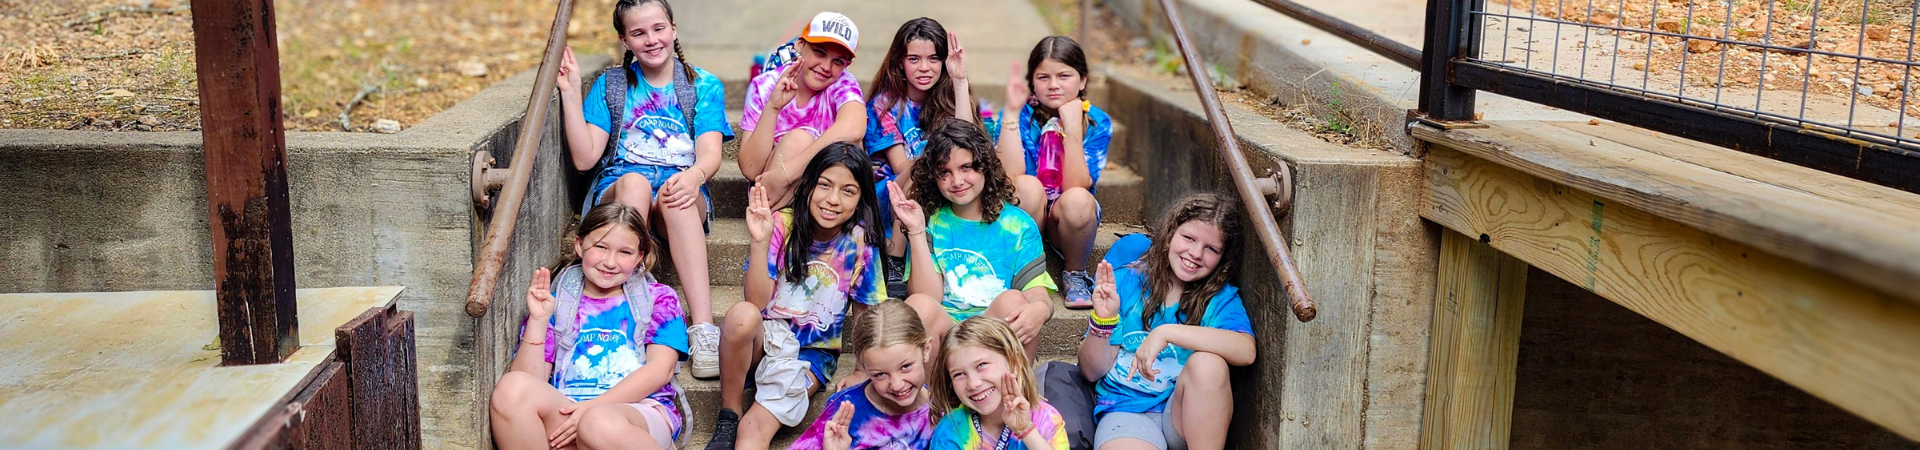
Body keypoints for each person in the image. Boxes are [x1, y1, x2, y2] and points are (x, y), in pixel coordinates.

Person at [555, 0, 728, 379]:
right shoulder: (612, 85)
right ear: (625, 40)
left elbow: (711, 153)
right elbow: (585, 159)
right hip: (620, 188)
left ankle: (702, 330)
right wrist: (570, 92)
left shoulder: (702, 85)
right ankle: (631, 316)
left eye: (658, 28)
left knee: (674, 193)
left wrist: (695, 176)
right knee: (634, 183)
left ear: (673, 29)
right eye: (638, 33)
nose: (651, 40)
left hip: (679, 191)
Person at [709, 143, 889, 450]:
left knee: (752, 430)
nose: (833, 200)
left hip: (810, 353)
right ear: (807, 186)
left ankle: (745, 424)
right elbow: (756, 303)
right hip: (765, 341)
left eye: (848, 191)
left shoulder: (860, 244)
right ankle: (729, 413)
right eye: (824, 185)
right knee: (741, 316)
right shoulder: (782, 224)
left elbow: (867, 315)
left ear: (861, 200)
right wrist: (759, 243)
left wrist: (862, 369)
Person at [488, 203, 691, 450]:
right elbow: (531, 382)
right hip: (569, 411)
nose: (610, 262)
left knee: (598, 423)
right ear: (579, 245)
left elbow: (661, 370)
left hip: (639, 413)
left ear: (639, 256)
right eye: (601, 247)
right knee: (511, 389)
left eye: (624, 252)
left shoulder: (658, 298)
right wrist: (538, 321)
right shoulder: (560, 301)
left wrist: (593, 408)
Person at [1079, 193, 1255, 450]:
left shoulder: (1218, 297)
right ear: (1171, 232)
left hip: (1185, 414)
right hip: (1127, 411)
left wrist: (1166, 333)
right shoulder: (1128, 279)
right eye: (1189, 238)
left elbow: (1246, 350)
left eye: (1211, 249)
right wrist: (1102, 323)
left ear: (1223, 257)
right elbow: (1091, 371)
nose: (1195, 253)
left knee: (1209, 364)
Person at [891, 119, 1055, 359]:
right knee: (918, 305)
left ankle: (1011, 393)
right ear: (933, 177)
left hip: (993, 336)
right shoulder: (933, 221)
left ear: (985, 166)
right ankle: (930, 395)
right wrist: (915, 230)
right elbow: (927, 298)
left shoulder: (1018, 225)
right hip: (944, 339)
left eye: (966, 167)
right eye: (944, 172)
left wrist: (1041, 310)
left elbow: (1038, 296)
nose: (957, 181)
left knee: (1014, 301)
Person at [996, 36, 1113, 310]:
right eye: (1043, 77)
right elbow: (1009, 177)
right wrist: (1011, 113)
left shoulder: (1096, 121)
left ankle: (1074, 273)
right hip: (1027, 210)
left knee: (1079, 200)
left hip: (1069, 219)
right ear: (1032, 81)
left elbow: (1077, 185)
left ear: (1082, 80)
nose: (1054, 85)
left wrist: (1071, 126)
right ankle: (1024, 271)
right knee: (1027, 185)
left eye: (1064, 75)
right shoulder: (1019, 112)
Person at [864, 17, 982, 286]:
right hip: (893, 193)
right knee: (920, 171)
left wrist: (959, 81)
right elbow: (901, 167)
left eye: (934, 59)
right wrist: (936, 156)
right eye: (914, 59)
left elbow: (966, 146)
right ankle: (895, 256)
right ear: (900, 63)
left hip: (942, 183)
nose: (925, 68)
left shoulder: (951, 97)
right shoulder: (885, 105)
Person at [738, 11, 869, 207]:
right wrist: (773, 108)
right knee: (798, 140)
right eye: (820, 52)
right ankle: (778, 226)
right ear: (800, 45)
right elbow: (750, 168)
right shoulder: (765, 85)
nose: (826, 66)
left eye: (838, 61)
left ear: (847, 65)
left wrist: (787, 173)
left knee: (849, 146)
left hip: (825, 194)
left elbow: (854, 128)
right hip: (774, 195)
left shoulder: (843, 84)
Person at [791, 300, 937, 450]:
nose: (897, 384)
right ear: (865, 368)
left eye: (905, 367)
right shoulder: (844, 413)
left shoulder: (942, 410)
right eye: (880, 374)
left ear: (926, 350)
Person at [927, 316, 1070, 450]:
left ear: (1015, 362)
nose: (973, 383)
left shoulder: (1046, 419)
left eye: (981, 365)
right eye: (959, 374)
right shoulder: (952, 430)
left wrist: (1026, 431)